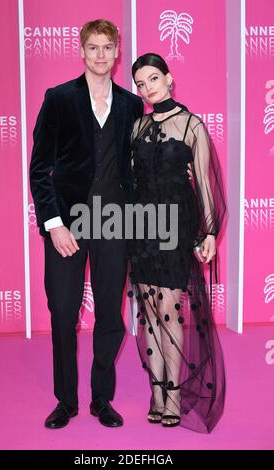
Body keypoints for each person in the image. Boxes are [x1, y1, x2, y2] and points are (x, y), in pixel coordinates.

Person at [30, 19, 143, 429]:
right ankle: (66, 400)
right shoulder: (59, 98)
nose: (100, 55)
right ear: (81, 51)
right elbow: (39, 169)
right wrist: (54, 224)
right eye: (92, 47)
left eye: (107, 48)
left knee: (110, 314)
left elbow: (137, 168)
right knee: (62, 311)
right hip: (68, 222)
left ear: (116, 53)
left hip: (115, 220)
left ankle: (101, 399)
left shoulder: (132, 105)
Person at [127, 53, 226, 433]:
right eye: (140, 83)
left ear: (169, 79)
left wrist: (211, 233)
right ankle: (156, 395)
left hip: (175, 228)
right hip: (140, 227)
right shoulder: (136, 127)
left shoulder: (192, 126)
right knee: (149, 312)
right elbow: (131, 180)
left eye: (153, 79)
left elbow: (203, 183)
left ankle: (172, 396)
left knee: (170, 311)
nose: (147, 88)